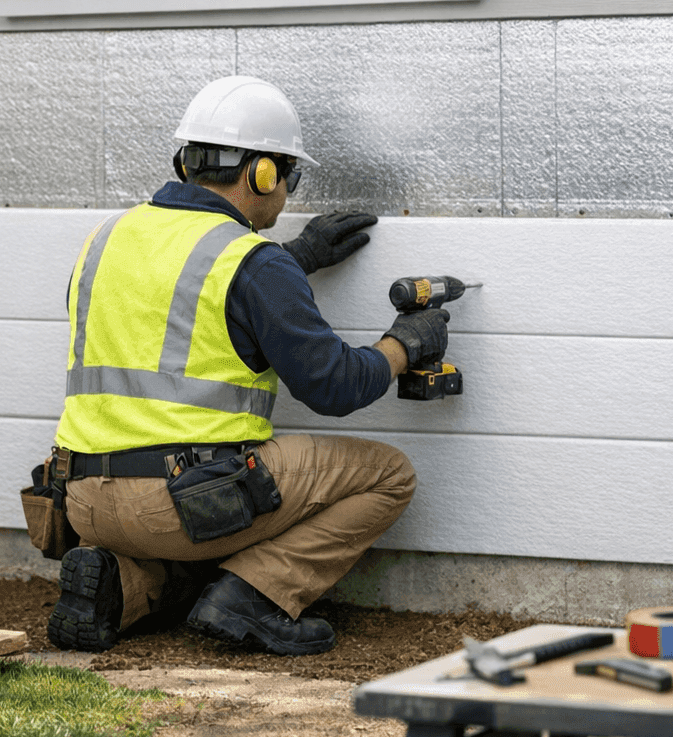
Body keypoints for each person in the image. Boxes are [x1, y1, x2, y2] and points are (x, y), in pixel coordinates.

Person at [45, 75, 452, 656]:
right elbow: (335, 386)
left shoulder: (106, 238)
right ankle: (255, 596)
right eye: (290, 176)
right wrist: (404, 344)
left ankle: (118, 585)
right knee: (389, 475)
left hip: (85, 503)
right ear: (262, 173)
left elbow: (178, 299)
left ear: (185, 163)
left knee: (191, 549)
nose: (287, 191)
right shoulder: (253, 263)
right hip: (188, 503)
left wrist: (296, 258)